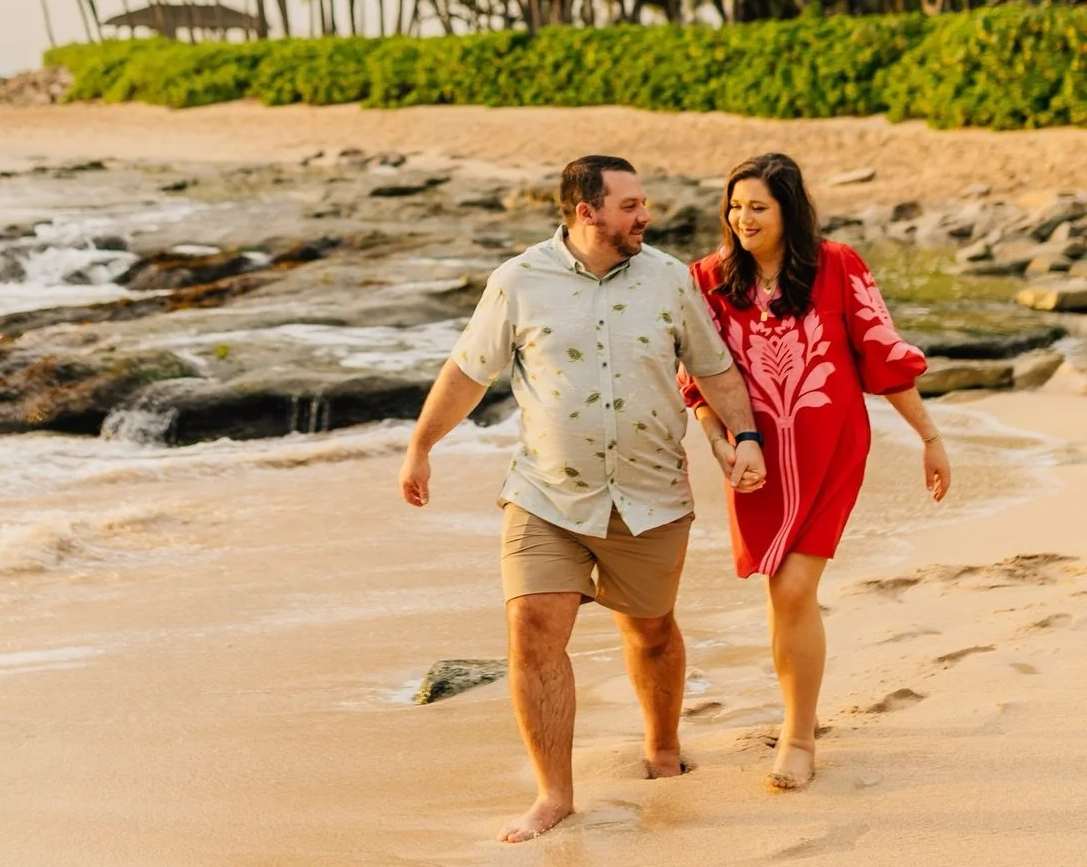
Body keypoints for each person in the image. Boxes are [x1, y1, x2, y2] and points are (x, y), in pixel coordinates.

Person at [399, 154, 767, 844]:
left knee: (650, 630)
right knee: (532, 629)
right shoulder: (517, 281)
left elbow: (714, 368)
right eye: (630, 205)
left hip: (651, 493)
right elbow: (467, 372)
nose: (645, 215)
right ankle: (554, 795)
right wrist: (422, 446)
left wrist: (745, 436)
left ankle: (662, 745)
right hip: (546, 494)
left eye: (642, 203)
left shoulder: (668, 278)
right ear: (586, 211)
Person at [681, 152, 951, 793]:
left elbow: (881, 355)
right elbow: (699, 378)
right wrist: (720, 444)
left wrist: (930, 438)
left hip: (830, 450)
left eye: (758, 207)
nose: (743, 218)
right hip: (755, 458)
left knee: (795, 588)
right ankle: (797, 712)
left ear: (789, 211)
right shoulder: (707, 279)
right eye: (735, 206)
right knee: (781, 590)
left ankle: (798, 737)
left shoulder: (837, 265)